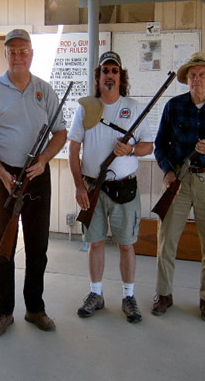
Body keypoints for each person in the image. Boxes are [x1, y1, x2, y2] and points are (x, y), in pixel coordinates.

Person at [0, 29, 67, 336]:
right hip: (4, 177)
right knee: (3, 247)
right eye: (12, 52)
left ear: (32, 54)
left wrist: (44, 160)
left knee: (38, 246)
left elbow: (61, 132)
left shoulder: (44, 90)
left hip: (36, 175)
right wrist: (1, 172)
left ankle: (35, 309)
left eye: (23, 51)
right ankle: (3, 312)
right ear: (5, 55)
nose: (18, 57)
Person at [152, 52, 205, 322]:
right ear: (187, 80)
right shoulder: (174, 106)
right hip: (178, 179)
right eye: (192, 75)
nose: (197, 80)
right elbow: (159, 145)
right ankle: (164, 294)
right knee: (166, 240)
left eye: (202, 75)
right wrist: (168, 172)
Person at [68, 51, 153, 324]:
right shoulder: (85, 108)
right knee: (95, 243)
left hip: (124, 188)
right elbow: (73, 149)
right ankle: (96, 293)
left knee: (126, 245)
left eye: (114, 70)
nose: (110, 75)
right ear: (98, 76)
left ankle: (129, 296)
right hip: (92, 187)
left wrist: (130, 150)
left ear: (120, 76)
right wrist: (79, 186)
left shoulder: (133, 107)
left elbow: (148, 145)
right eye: (105, 70)